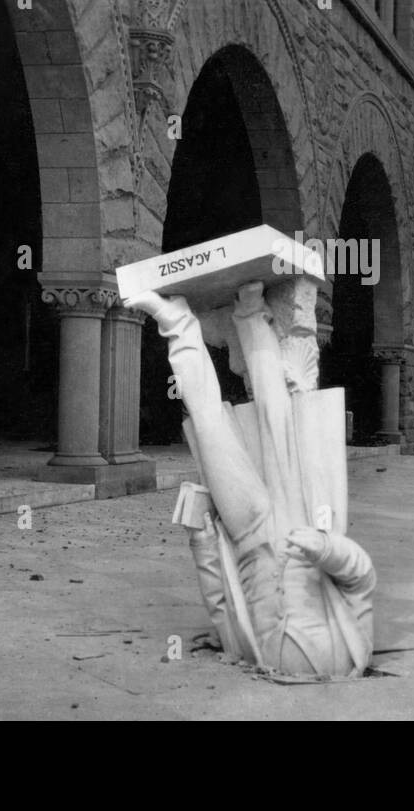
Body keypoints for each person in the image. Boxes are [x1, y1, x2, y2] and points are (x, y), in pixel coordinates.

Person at [126, 281, 375, 678]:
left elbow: (222, 606)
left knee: (210, 430)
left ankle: (177, 323)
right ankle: (250, 309)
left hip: (248, 538)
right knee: (276, 417)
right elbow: (361, 580)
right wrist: (327, 548)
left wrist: (203, 544)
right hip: (297, 525)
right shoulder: (350, 656)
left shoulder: (255, 655)